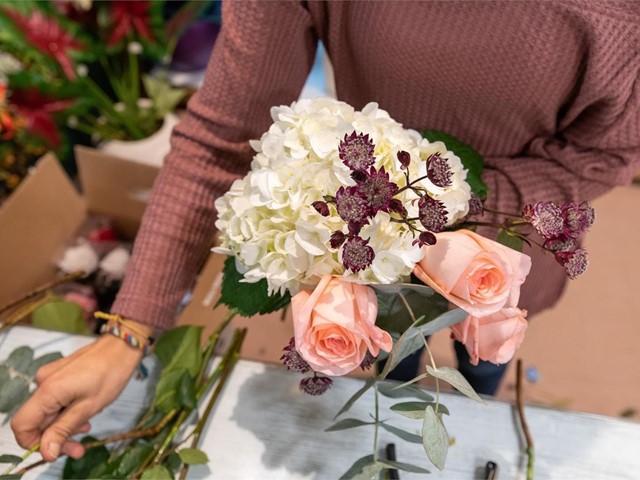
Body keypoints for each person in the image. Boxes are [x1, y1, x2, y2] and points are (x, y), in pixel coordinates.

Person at [11, 0, 640, 463]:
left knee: (485, 356)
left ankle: (482, 393)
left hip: (507, 237)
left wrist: (418, 199)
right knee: (392, 357)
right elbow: (221, 136)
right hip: (361, 251)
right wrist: (129, 331)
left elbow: (604, 153)